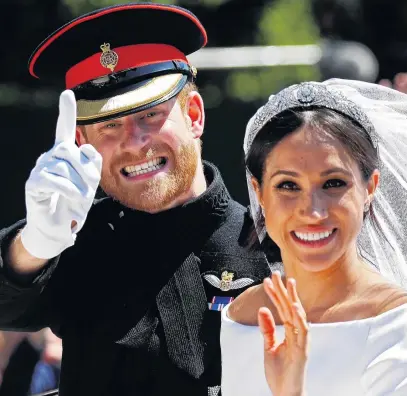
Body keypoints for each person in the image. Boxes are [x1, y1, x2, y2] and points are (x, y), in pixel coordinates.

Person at [0, 3, 274, 396]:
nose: (135, 143)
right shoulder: (75, 245)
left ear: (194, 115)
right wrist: (33, 245)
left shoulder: (269, 241)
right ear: (82, 141)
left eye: (150, 115)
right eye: (109, 125)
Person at [220, 79, 407, 396]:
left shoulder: (396, 327)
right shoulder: (243, 316)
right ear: (258, 192)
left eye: (333, 183)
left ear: (370, 188)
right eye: (288, 186)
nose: (313, 212)